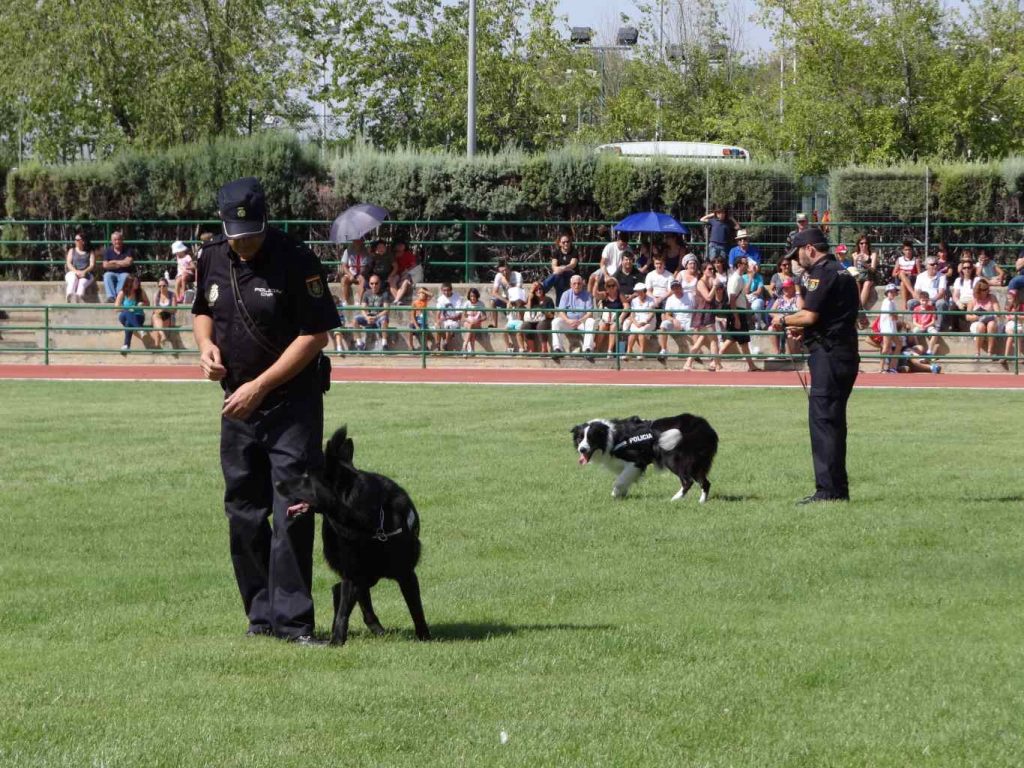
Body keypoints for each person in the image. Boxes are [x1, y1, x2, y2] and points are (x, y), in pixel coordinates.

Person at [191, 176, 339, 644]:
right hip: (237, 405)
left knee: (292, 509)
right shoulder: (212, 256)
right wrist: (204, 348)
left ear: (265, 222)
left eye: (252, 234)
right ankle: (260, 616)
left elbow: (316, 335)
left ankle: (294, 624)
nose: (246, 244)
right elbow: (202, 310)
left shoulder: (297, 260)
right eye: (238, 236)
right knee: (244, 511)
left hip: (291, 405)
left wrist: (261, 385)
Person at [770, 228, 860, 504]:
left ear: (810, 248)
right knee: (833, 423)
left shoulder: (822, 273)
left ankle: (827, 491)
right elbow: (830, 317)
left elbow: (809, 315)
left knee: (823, 423)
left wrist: (783, 321)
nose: (796, 260)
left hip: (830, 357)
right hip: (842, 353)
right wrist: (806, 330)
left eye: (797, 253)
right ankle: (837, 489)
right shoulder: (842, 271)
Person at [720, 254, 759, 371]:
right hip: (736, 311)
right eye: (745, 263)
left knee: (740, 340)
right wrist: (736, 318)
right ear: (739, 265)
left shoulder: (740, 278)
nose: (747, 265)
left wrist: (751, 276)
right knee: (735, 339)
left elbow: (745, 292)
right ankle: (715, 360)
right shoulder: (735, 278)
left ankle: (751, 366)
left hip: (740, 311)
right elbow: (732, 299)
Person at [688, 264, 723, 371]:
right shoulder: (700, 282)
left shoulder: (711, 281)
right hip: (703, 313)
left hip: (709, 312)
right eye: (709, 269)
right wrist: (714, 287)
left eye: (712, 269)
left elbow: (718, 299)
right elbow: (707, 297)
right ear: (703, 270)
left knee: (701, 340)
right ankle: (717, 365)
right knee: (714, 339)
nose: (712, 270)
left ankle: (688, 363)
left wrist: (718, 287)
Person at [551, 274, 595, 355]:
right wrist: (568, 320)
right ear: (571, 285)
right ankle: (557, 349)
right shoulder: (565, 294)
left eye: (579, 283)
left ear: (582, 284)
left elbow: (590, 313)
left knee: (591, 321)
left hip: (581, 322)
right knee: (555, 321)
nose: (577, 285)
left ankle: (587, 349)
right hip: (569, 322)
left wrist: (579, 321)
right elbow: (561, 312)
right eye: (574, 283)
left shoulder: (588, 295)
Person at [965, 279, 1002, 360]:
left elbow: (998, 312)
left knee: (991, 324)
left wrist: (989, 314)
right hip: (977, 322)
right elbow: (967, 317)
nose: (987, 291)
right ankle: (977, 353)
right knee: (981, 326)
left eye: (987, 289)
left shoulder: (992, 297)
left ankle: (990, 353)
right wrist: (979, 317)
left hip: (991, 321)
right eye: (984, 289)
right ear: (978, 290)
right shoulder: (972, 300)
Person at [353, 275, 391, 352]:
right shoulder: (366, 293)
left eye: (376, 283)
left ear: (380, 283)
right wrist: (367, 317)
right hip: (369, 317)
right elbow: (363, 309)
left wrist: (376, 317)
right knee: (354, 320)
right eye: (372, 283)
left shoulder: (385, 293)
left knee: (384, 319)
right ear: (369, 284)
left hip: (379, 317)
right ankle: (360, 343)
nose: (374, 285)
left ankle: (384, 344)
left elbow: (386, 310)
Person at [912, 257, 951, 330]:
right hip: (923, 300)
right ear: (926, 266)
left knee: (941, 303)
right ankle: (916, 325)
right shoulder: (920, 276)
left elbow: (941, 292)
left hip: (935, 300)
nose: (935, 266)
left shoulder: (942, 276)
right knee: (911, 303)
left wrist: (931, 301)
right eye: (932, 264)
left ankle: (938, 327)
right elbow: (916, 292)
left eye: (936, 264)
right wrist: (923, 301)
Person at [659, 280, 693, 359]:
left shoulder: (690, 296)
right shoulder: (670, 299)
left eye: (677, 287)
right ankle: (664, 350)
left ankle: (696, 352)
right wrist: (673, 320)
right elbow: (667, 314)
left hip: (690, 321)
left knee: (696, 330)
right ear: (672, 290)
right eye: (674, 288)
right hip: (677, 323)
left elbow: (696, 309)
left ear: (681, 287)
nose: (676, 290)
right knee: (663, 325)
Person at [589, 230, 632, 295]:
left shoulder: (629, 249)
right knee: (592, 277)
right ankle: (588, 300)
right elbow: (602, 263)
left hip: (619, 272)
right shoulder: (609, 246)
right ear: (617, 240)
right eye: (621, 244)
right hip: (606, 269)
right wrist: (606, 275)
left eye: (625, 245)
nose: (623, 247)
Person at [115, 275, 149, 353]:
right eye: (135, 282)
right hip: (124, 315)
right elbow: (116, 308)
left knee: (128, 323)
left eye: (138, 282)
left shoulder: (141, 291)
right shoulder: (122, 292)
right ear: (130, 283)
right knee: (127, 312)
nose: (137, 283)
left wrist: (143, 304)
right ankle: (140, 329)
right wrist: (127, 309)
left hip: (138, 316)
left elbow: (148, 303)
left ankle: (126, 345)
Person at [542, 230, 579, 303]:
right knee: (559, 278)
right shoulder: (556, 252)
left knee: (558, 275)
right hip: (560, 276)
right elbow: (553, 266)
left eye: (567, 241)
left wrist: (562, 268)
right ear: (559, 243)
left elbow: (572, 265)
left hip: (571, 276)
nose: (566, 243)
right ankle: (559, 305)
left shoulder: (574, 252)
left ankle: (542, 289)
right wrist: (559, 270)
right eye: (563, 242)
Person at [101, 230, 135, 302]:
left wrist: (113, 262)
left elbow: (128, 262)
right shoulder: (108, 250)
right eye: (115, 240)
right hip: (112, 273)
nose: (117, 242)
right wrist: (121, 263)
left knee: (125, 276)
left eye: (119, 239)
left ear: (122, 240)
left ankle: (118, 297)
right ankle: (111, 297)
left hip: (124, 272)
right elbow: (105, 265)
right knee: (107, 275)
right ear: (112, 241)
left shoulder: (128, 250)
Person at [624, 282, 656, 359]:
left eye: (640, 291)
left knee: (641, 331)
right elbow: (632, 315)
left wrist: (644, 322)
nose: (639, 293)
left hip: (649, 322)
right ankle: (628, 352)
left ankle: (641, 353)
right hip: (637, 321)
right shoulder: (634, 301)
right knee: (633, 332)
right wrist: (635, 323)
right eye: (637, 291)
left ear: (644, 291)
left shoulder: (651, 300)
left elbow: (651, 314)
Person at [521, 281, 554, 354]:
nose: (538, 291)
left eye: (540, 289)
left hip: (546, 320)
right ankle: (531, 349)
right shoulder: (533, 299)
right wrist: (530, 296)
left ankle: (544, 349)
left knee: (541, 325)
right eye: (536, 290)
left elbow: (552, 315)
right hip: (534, 320)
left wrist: (543, 312)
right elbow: (529, 310)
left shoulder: (548, 300)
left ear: (543, 290)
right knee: (525, 325)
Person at [595, 277, 625, 356]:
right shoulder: (605, 295)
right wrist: (596, 283)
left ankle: (610, 351)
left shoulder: (620, 295)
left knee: (613, 327)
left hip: (616, 319)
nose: (611, 287)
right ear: (606, 287)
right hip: (605, 319)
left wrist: (621, 317)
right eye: (609, 286)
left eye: (613, 285)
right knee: (601, 327)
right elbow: (595, 294)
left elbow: (627, 306)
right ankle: (597, 349)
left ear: (616, 286)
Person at [490, 258, 523, 327]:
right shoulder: (499, 276)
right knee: (492, 301)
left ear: (509, 268)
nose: (504, 273)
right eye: (502, 271)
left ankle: (521, 323)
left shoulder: (517, 275)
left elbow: (517, 293)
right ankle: (494, 324)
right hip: (506, 299)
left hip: (516, 299)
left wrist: (507, 284)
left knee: (518, 304)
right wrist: (507, 301)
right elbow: (494, 292)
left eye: (505, 270)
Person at [64, 230, 95, 303]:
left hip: (86, 273)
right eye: (75, 239)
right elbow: (68, 263)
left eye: (77, 240)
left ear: (83, 241)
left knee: (82, 284)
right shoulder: (72, 250)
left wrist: (84, 272)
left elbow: (92, 265)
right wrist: (76, 271)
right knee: (72, 280)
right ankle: (69, 296)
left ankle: (78, 298)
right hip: (73, 272)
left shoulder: (90, 252)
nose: (75, 241)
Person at [851, 234, 880, 309]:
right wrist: (855, 260)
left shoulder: (872, 254)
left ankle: (859, 308)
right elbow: (855, 269)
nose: (864, 245)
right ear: (858, 244)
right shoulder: (855, 254)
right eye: (861, 243)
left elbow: (873, 269)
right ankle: (857, 307)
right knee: (856, 283)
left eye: (866, 243)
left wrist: (865, 264)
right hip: (859, 275)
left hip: (869, 275)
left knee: (867, 284)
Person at [876, 283, 901, 372]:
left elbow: (895, 316)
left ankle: (892, 367)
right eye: (890, 292)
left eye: (894, 292)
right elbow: (892, 315)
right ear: (887, 293)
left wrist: (895, 315)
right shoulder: (886, 302)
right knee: (886, 347)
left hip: (892, 327)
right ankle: (881, 368)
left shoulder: (892, 302)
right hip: (887, 328)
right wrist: (895, 315)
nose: (893, 293)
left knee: (898, 344)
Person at [388, 238, 420, 304]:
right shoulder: (392, 255)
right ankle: (398, 300)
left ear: (405, 246)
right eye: (398, 245)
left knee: (404, 282)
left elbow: (414, 266)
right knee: (392, 282)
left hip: (406, 274)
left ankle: (396, 300)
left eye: (402, 245)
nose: (400, 246)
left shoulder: (408, 254)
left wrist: (407, 270)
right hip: (396, 274)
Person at [339, 237, 370, 305]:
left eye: (359, 241)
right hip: (351, 273)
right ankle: (344, 301)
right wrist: (350, 275)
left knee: (362, 280)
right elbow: (344, 265)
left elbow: (368, 265)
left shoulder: (366, 251)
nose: (357, 243)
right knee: (343, 280)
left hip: (361, 274)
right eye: (355, 241)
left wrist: (363, 273)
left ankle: (358, 300)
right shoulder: (347, 251)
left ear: (362, 242)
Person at [435, 282, 464, 352]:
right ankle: (437, 346)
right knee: (437, 326)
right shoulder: (440, 299)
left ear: (451, 290)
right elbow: (438, 312)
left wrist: (449, 318)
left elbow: (458, 315)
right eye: (444, 290)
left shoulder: (457, 298)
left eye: (448, 290)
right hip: (444, 320)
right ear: (442, 290)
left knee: (448, 326)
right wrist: (437, 321)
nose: (446, 292)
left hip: (454, 321)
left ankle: (445, 344)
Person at [151, 277, 178, 348]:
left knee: (155, 321)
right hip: (158, 316)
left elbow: (174, 310)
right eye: (159, 286)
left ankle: (156, 346)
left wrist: (164, 309)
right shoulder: (156, 295)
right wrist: (159, 310)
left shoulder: (172, 295)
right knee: (155, 317)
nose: (161, 288)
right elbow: (154, 309)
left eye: (164, 286)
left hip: (168, 315)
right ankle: (162, 336)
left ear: (167, 285)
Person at [408, 286, 434, 351]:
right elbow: (412, 316)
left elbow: (432, 295)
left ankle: (425, 347)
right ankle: (411, 346)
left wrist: (424, 291)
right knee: (410, 330)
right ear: (418, 294)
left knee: (423, 333)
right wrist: (416, 326)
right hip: (415, 322)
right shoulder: (415, 303)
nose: (422, 295)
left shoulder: (425, 301)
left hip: (422, 322)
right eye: (421, 293)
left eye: (424, 293)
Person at [460, 287, 486, 354]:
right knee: (471, 326)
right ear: (469, 296)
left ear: (477, 296)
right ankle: (472, 350)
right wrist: (469, 321)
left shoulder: (481, 304)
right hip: (468, 322)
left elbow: (484, 317)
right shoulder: (467, 303)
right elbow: (463, 317)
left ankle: (465, 346)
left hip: (477, 323)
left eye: (474, 296)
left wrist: (478, 320)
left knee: (472, 327)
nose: (473, 298)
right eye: (471, 296)